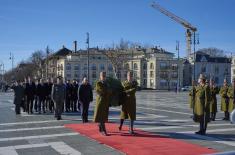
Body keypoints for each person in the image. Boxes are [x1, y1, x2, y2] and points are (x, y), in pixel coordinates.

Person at [93, 72, 110, 136]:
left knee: (103, 116)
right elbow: (101, 91)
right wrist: (107, 91)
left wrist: (107, 91)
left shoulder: (106, 83)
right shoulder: (98, 83)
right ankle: (104, 130)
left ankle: (100, 126)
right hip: (100, 102)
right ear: (100, 76)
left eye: (104, 76)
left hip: (105, 102)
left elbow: (109, 91)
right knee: (101, 117)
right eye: (102, 76)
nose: (104, 77)